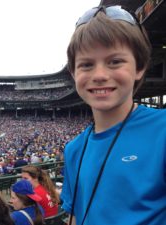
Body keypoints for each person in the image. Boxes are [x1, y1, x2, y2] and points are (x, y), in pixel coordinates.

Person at [61, 5, 166, 225]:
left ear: (140, 67)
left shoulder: (162, 131)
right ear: (73, 73)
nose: (99, 75)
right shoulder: (73, 150)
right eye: (87, 64)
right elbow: (74, 217)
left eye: (115, 61)